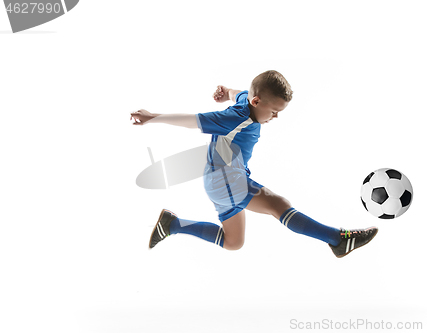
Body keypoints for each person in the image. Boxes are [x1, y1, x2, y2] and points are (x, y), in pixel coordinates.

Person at [130, 70, 377, 258]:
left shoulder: (245, 102)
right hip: (225, 180)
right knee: (278, 204)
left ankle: (172, 225)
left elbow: (239, 94)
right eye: (274, 111)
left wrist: (226, 91)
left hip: (221, 181)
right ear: (257, 102)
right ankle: (337, 240)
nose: (275, 117)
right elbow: (192, 120)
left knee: (233, 242)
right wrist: (152, 117)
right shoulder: (234, 117)